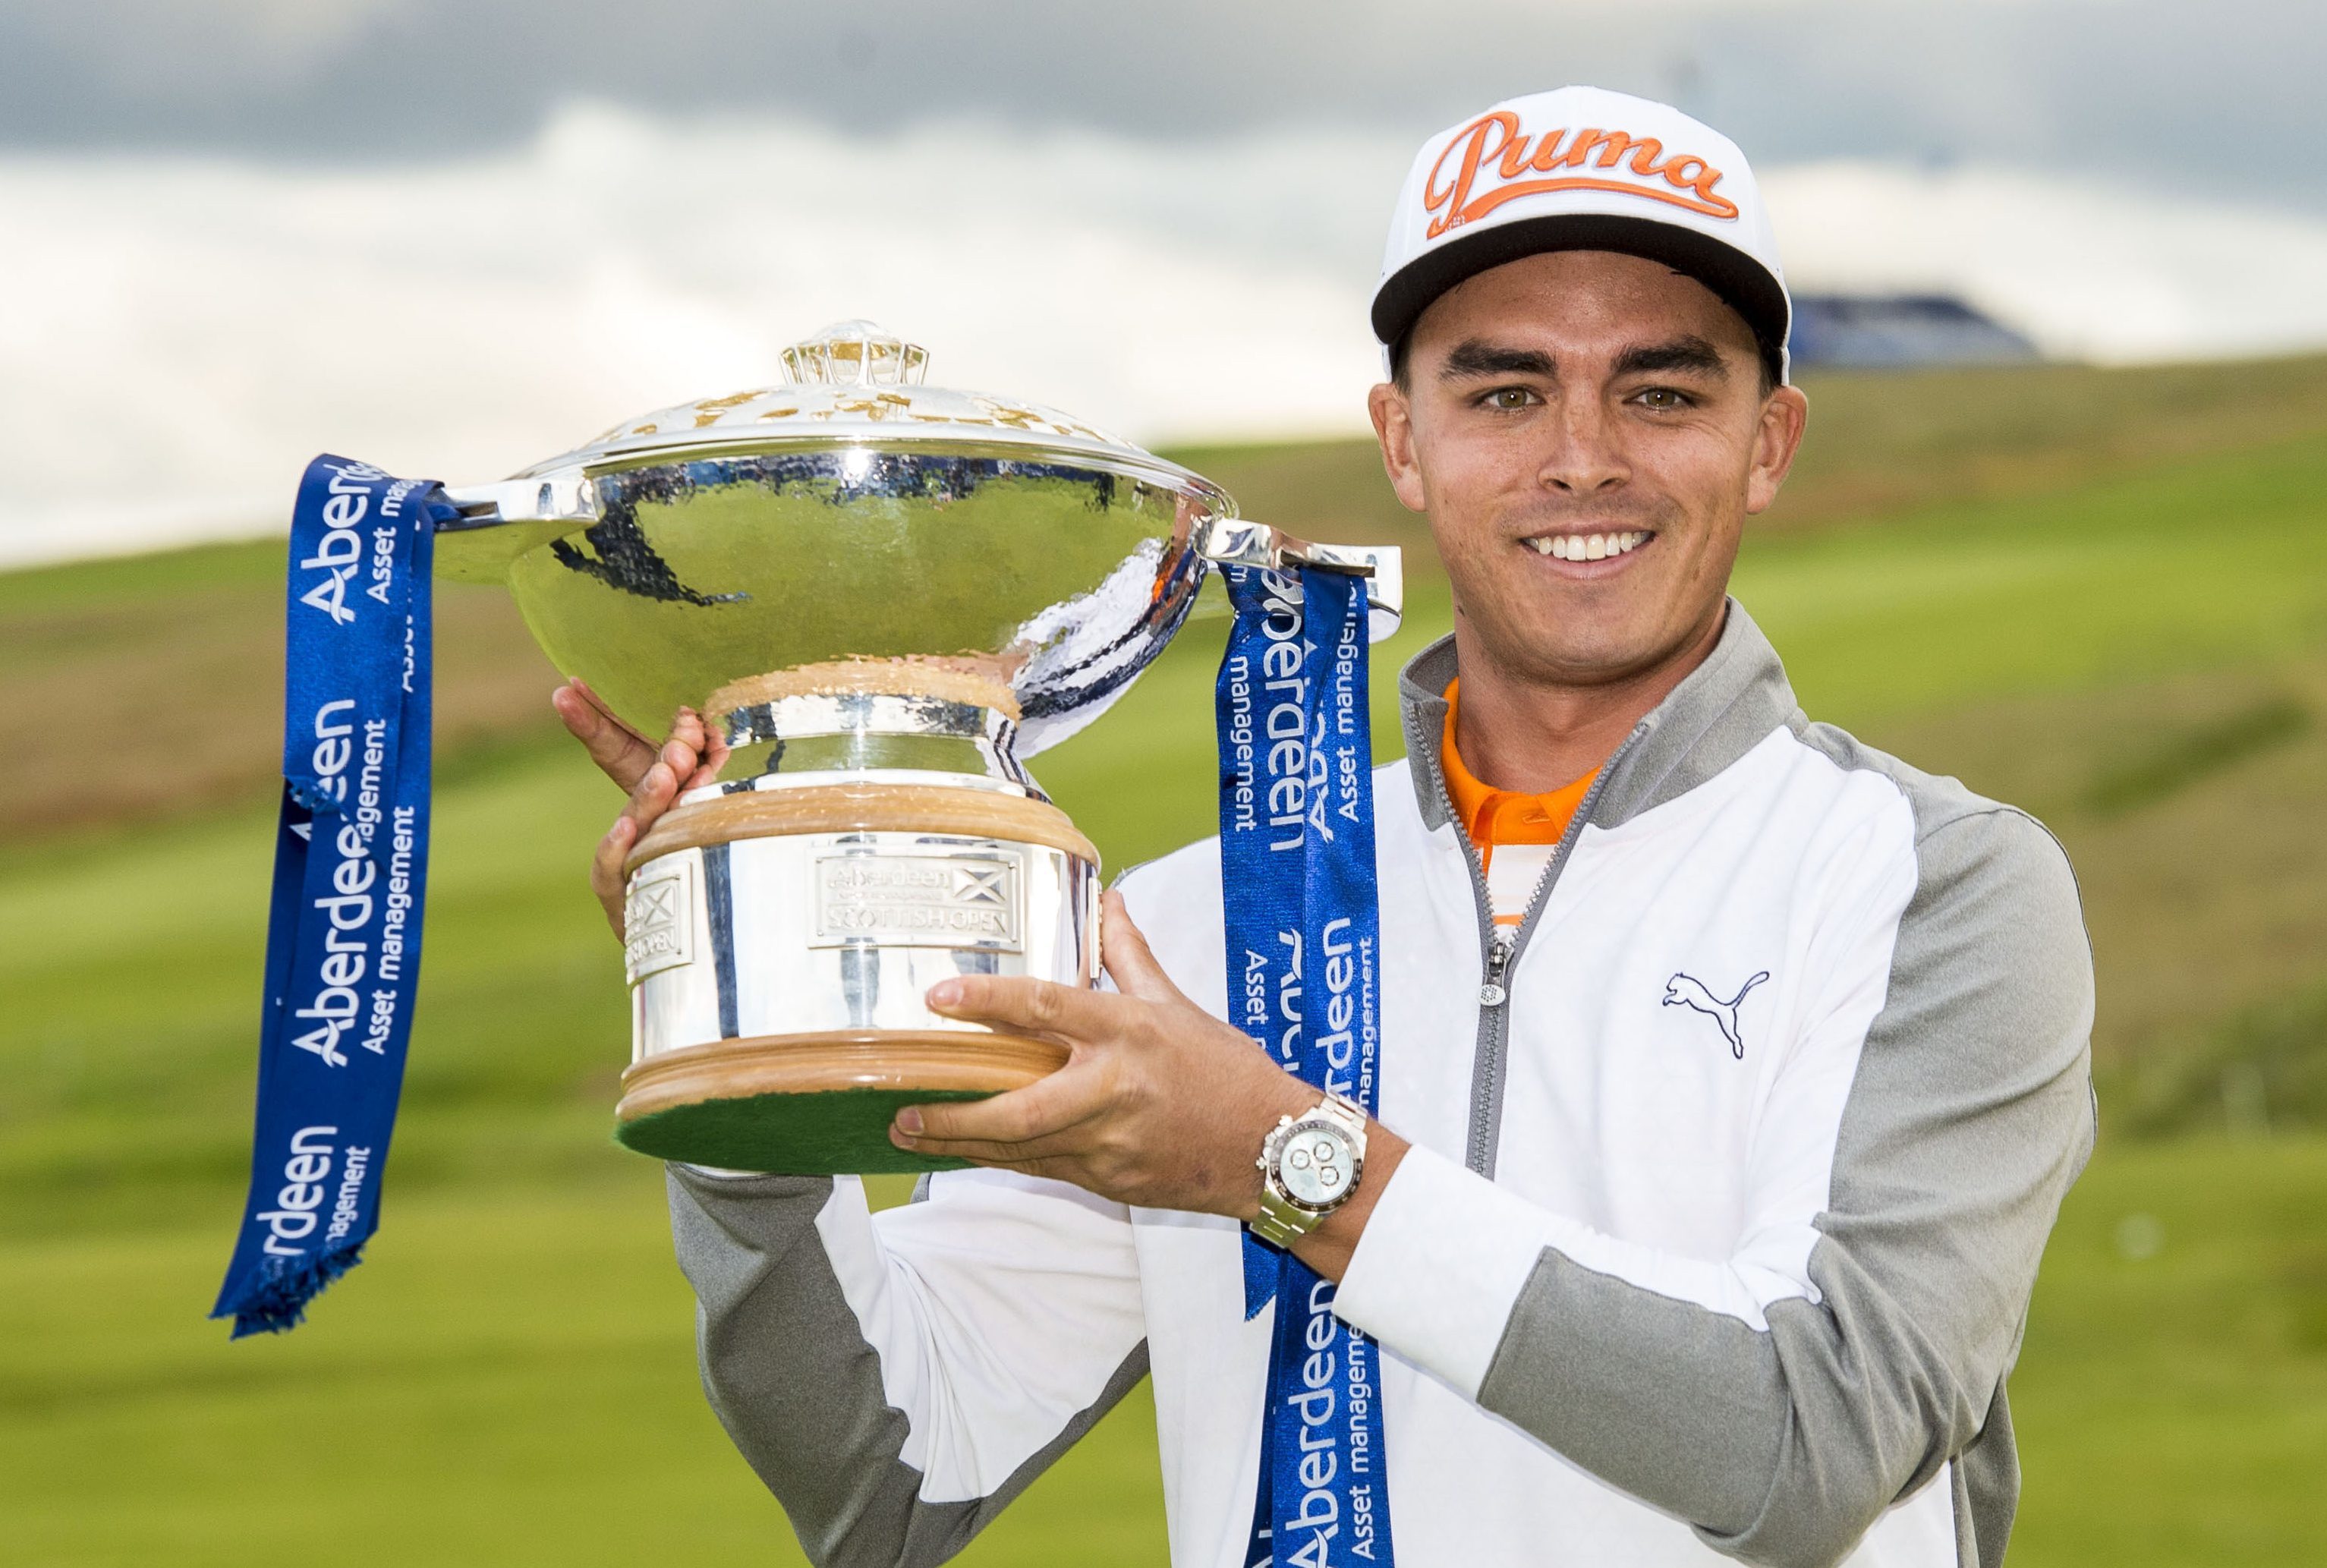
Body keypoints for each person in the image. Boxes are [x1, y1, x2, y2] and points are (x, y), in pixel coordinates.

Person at [553, 85, 2095, 1568]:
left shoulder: (1934, 885)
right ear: (1403, 441)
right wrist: (742, 1054)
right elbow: (885, 1471)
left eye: (1662, 389)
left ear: (1769, 442)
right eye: (1503, 390)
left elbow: (1818, 1438)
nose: (1581, 453)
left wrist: (1287, 1162)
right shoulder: (1198, 934)